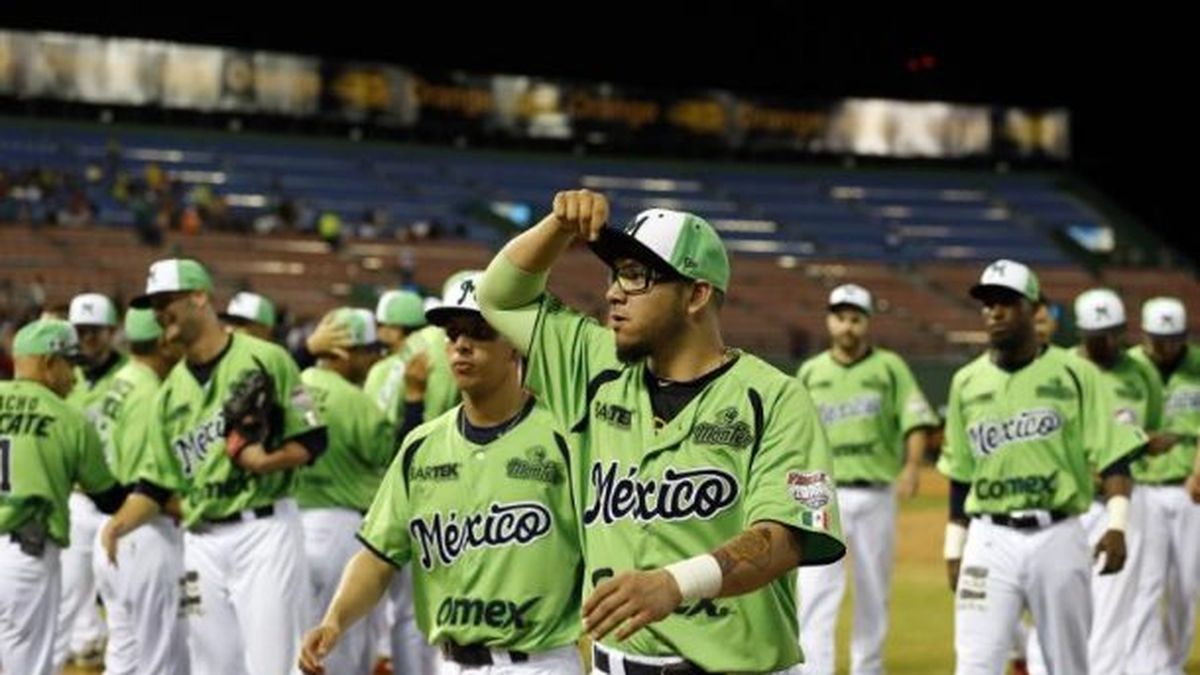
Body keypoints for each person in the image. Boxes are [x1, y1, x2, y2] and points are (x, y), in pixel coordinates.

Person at [477, 190, 845, 673]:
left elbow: (784, 537)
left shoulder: (773, 398)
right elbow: (498, 297)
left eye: (636, 276)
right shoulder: (593, 365)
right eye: (615, 275)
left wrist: (675, 583)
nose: (614, 293)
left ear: (696, 295)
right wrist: (558, 227)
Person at [300, 273, 585, 675]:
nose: (462, 345)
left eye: (480, 332)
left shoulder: (563, 437)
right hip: (450, 663)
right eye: (452, 334)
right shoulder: (421, 445)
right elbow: (378, 556)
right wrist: (334, 620)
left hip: (540, 662)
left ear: (516, 344)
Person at [100, 258, 328, 675]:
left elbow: (314, 439)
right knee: (212, 667)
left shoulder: (267, 358)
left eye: (166, 301)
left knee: (274, 665)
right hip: (201, 541)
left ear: (199, 297)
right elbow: (155, 485)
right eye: (154, 306)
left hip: (264, 531)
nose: (159, 313)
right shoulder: (168, 394)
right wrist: (118, 524)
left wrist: (268, 461)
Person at [938, 259, 1145, 675]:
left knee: (1067, 665)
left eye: (1007, 302)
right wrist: (953, 547)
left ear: (1035, 310)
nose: (994, 312)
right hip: (989, 538)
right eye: (988, 303)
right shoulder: (966, 381)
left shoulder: (1076, 374)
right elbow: (961, 473)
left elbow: (1115, 455)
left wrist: (1118, 525)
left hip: (1059, 535)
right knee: (975, 663)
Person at [796, 283, 937, 675]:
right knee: (815, 590)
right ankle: (814, 670)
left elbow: (914, 420)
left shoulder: (889, 368)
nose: (848, 326)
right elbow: (795, 433)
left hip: (875, 493)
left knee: (873, 589)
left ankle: (868, 669)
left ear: (867, 323)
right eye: (841, 317)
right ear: (829, 321)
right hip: (821, 496)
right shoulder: (812, 372)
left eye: (855, 319)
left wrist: (912, 466)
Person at [0, 319, 126, 675]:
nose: (74, 377)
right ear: (48, 362)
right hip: (24, 557)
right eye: (69, 364)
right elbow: (108, 498)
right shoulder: (68, 418)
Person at [90, 307, 189, 675]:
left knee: (125, 659)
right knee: (162, 662)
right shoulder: (151, 394)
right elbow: (141, 482)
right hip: (143, 532)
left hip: (114, 533)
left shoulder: (121, 380)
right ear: (162, 342)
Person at [297, 307, 395, 675]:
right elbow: (387, 455)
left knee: (302, 637)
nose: (372, 360)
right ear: (343, 352)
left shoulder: (295, 385)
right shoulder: (355, 401)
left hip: (293, 525)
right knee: (342, 642)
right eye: (367, 351)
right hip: (342, 528)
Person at [1126, 297, 1200, 675]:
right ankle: (1141, 665)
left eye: (1174, 339)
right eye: (1159, 339)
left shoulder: (1198, 365)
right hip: (1140, 489)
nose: (1167, 347)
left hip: (1190, 490)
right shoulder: (1128, 367)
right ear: (1144, 335)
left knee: (1186, 585)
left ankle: (1171, 664)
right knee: (1144, 582)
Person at [60, 291, 129, 668]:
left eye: (95, 331)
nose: (87, 338)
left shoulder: (130, 376)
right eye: (81, 330)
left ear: (111, 332)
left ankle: (117, 655)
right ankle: (85, 642)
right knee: (70, 589)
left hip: (118, 499)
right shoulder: (63, 376)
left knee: (119, 590)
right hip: (76, 497)